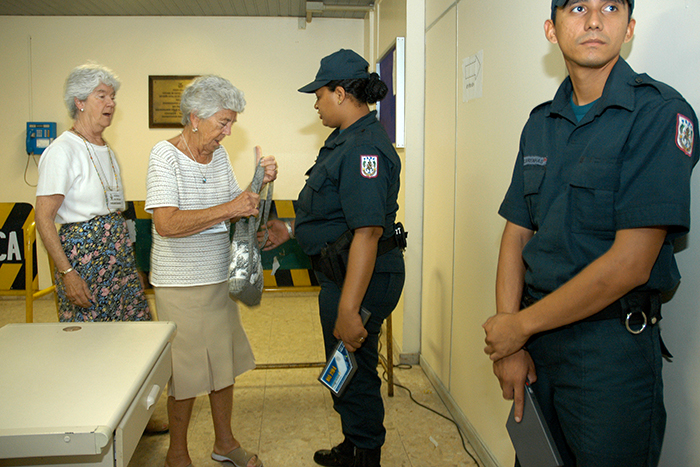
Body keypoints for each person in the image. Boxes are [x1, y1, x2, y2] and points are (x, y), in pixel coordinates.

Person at [482, 1, 698, 466]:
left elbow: (630, 263)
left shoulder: (659, 114)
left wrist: (518, 327)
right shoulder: (540, 123)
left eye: (610, 7)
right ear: (551, 29)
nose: (595, 20)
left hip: (609, 355)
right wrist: (512, 342)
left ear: (629, 27)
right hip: (536, 344)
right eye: (578, 7)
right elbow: (516, 235)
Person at [262, 49, 405, 467]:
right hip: (343, 274)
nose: (316, 104)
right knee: (345, 365)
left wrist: (348, 308)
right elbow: (334, 214)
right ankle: (354, 441)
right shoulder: (344, 141)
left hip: (360, 280)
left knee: (353, 369)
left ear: (340, 93)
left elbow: (367, 232)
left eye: (319, 95)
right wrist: (290, 230)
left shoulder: (364, 150)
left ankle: (365, 453)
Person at [146, 74, 276, 467]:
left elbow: (234, 207)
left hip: (219, 276)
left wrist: (259, 181)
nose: (228, 131)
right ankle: (177, 454)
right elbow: (166, 223)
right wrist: (231, 208)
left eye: (232, 122)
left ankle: (225, 443)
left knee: (223, 365)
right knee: (185, 374)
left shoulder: (218, 157)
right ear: (195, 118)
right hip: (180, 283)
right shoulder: (164, 156)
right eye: (223, 122)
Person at [35, 62, 167, 434]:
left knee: (131, 339)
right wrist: (67, 274)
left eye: (113, 96)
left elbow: (116, 212)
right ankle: (93, 423)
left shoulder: (105, 149)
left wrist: (130, 264)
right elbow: (44, 218)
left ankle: (135, 418)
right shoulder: (62, 150)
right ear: (79, 101)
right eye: (102, 95)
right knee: (93, 347)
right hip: (84, 262)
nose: (111, 103)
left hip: (116, 258)